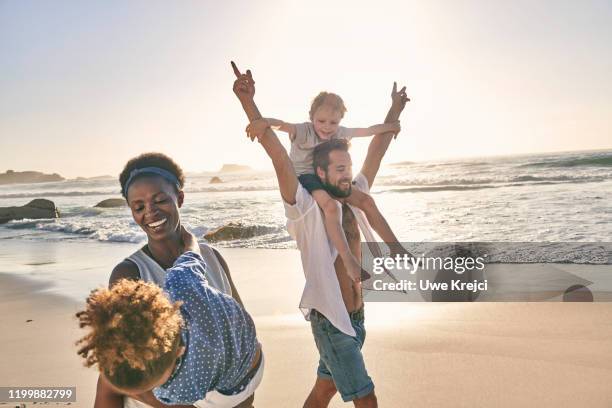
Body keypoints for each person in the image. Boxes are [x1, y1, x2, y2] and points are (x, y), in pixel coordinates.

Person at [231, 62, 409, 408]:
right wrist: (247, 102)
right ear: (321, 171)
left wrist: (395, 109)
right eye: (340, 168)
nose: (348, 174)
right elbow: (278, 154)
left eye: (348, 167)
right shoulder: (304, 204)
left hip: (356, 316)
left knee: (324, 390)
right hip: (331, 318)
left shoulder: (352, 192)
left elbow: (376, 151)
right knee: (365, 397)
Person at [91, 152, 256, 408]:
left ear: (179, 197)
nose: (151, 212)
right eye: (139, 207)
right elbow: (121, 370)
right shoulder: (129, 274)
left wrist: (242, 398)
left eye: (160, 200)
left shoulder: (212, 257)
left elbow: (240, 330)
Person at [77, 227, 263, 408]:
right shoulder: (180, 280)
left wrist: (141, 390)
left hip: (235, 390)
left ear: (180, 351)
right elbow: (191, 254)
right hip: (250, 349)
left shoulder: (178, 389)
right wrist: (189, 240)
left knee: (110, 382)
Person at [246, 91, 405, 282]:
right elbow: (282, 128)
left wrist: (392, 125)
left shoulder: (340, 133)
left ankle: (395, 248)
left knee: (366, 201)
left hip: (326, 179)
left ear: (340, 121)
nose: (327, 128)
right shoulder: (304, 131)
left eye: (333, 122)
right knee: (331, 206)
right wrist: (264, 122)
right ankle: (349, 261)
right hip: (306, 178)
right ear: (311, 117)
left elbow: (369, 131)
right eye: (321, 121)